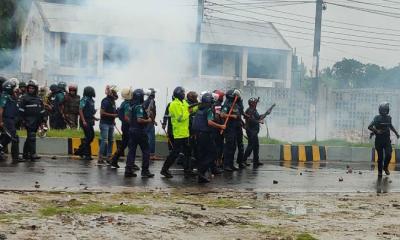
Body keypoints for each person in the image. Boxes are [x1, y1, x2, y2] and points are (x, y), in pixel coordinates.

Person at [160, 86, 194, 178]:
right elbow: (180, 117)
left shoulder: (184, 103)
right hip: (178, 134)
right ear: (179, 94)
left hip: (185, 133)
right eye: (182, 93)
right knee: (175, 153)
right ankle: (164, 169)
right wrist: (189, 112)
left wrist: (199, 106)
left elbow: (190, 108)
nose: (184, 94)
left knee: (188, 152)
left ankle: (187, 170)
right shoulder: (174, 104)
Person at [192, 92, 225, 183]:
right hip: (205, 134)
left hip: (198, 134)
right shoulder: (209, 110)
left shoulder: (199, 109)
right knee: (213, 153)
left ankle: (201, 175)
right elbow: (209, 122)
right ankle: (201, 171)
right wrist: (220, 126)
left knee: (203, 154)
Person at [124, 89, 155, 178]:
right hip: (140, 131)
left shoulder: (131, 106)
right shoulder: (139, 107)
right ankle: (145, 171)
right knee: (146, 151)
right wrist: (148, 120)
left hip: (132, 130)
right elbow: (139, 119)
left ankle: (128, 170)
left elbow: (129, 119)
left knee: (132, 151)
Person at [110, 87, 139, 171]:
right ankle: (130, 164)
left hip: (125, 126)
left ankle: (114, 160)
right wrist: (133, 123)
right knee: (131, 145)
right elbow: (127, 117)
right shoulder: (127, 104)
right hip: (128, 127)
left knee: (124, 144)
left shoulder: (124, 103)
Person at [368, 102, 400, 176]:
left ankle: (385, 167)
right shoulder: (377, 118)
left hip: (387, 140)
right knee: (380, 157)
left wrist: (396, 133)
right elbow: (369, 126)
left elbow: (390, 126)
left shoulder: (389, 118)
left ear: (388, 110)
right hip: (379, 140)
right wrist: (376, 131)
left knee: (389, 154)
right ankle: (380, 171)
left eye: (386, 110)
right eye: (383, 110)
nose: (385, 112)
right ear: (380, 110)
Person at [19, 80, 46, 161]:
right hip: (28, 121)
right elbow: (20, 111)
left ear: (36, 89)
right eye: (29, 88)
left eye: (32, 88)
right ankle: (33, 154)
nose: (31, 89)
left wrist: (43, 121)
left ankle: (25, 155)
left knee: (29, 138)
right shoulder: (24, 98)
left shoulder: (39, 98)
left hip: (37, 121)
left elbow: (42, 111)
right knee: (32, 137)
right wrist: (22, 121)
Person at [243, 98, 272, 169]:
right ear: (252, 103)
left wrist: (266, 113)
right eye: (255, 102)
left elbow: (259, 117)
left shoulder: (254, 110)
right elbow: (251, 120)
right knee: (251, 146)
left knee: (256, 146)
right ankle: (243, 160)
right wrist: (259, 122)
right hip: (251, 130)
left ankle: (256, 160)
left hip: (254, 131)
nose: (256, 103)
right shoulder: (249, 110)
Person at [221, 89, 243, 171]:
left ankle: (231, 164)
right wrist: (231, 116)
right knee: (229, 147)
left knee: (234, 147)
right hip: (230, 129)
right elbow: (222, 115)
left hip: (236, 128)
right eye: (235, 95)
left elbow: (239, 114)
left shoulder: (236, 105)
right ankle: (226, 164)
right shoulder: (227, 105)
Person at [0, 80, 22, 162]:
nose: (15, 89)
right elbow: (1, 110)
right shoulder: (4, 97)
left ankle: (15, 156)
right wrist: (1, 121)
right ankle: (15, 158)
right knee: (14, 137)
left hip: (11, 120)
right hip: (7, 120)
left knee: (6, 137)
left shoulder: (9, 96)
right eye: (13, 88)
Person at [74, 86, 97, 160]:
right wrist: (83, 121)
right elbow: (80, 110)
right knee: (89, 137)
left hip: (90, 120)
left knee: (91, 136)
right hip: (85, 121)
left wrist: (94, 117)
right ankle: (87, 154)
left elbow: (90, 111)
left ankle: (80, 150)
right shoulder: (84, 99)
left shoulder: (91, 100)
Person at [99, 85, 118, 164]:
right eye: (114, 92)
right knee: (105, 140)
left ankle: (109, 157)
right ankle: (100, 158)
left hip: (110, 124)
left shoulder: (113, 101)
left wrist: (113, 120)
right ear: (111, 92)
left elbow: (113, 112)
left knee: (111, 140)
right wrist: (113, 116)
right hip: (104, 124)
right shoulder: (105, 101)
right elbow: (102, 113)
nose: (116, 94)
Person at [143, 88, 162, 160]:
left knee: (147, 138)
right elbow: (150, 112)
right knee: (151, 138)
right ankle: (151, 155)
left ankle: (148, 154)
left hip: (147, 121)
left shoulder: (146, 101)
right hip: (149, 122)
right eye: (154, 93)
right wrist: (153, 120)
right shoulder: (151, 101)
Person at [186, 91, 199, 166]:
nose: (196, 99)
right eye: (195, 97)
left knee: (194, 145)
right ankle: (189, 163)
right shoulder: (188, 105)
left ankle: (193, 160)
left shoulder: (195, 104)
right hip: (190, 128)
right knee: (190, 146)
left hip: (194, 128)